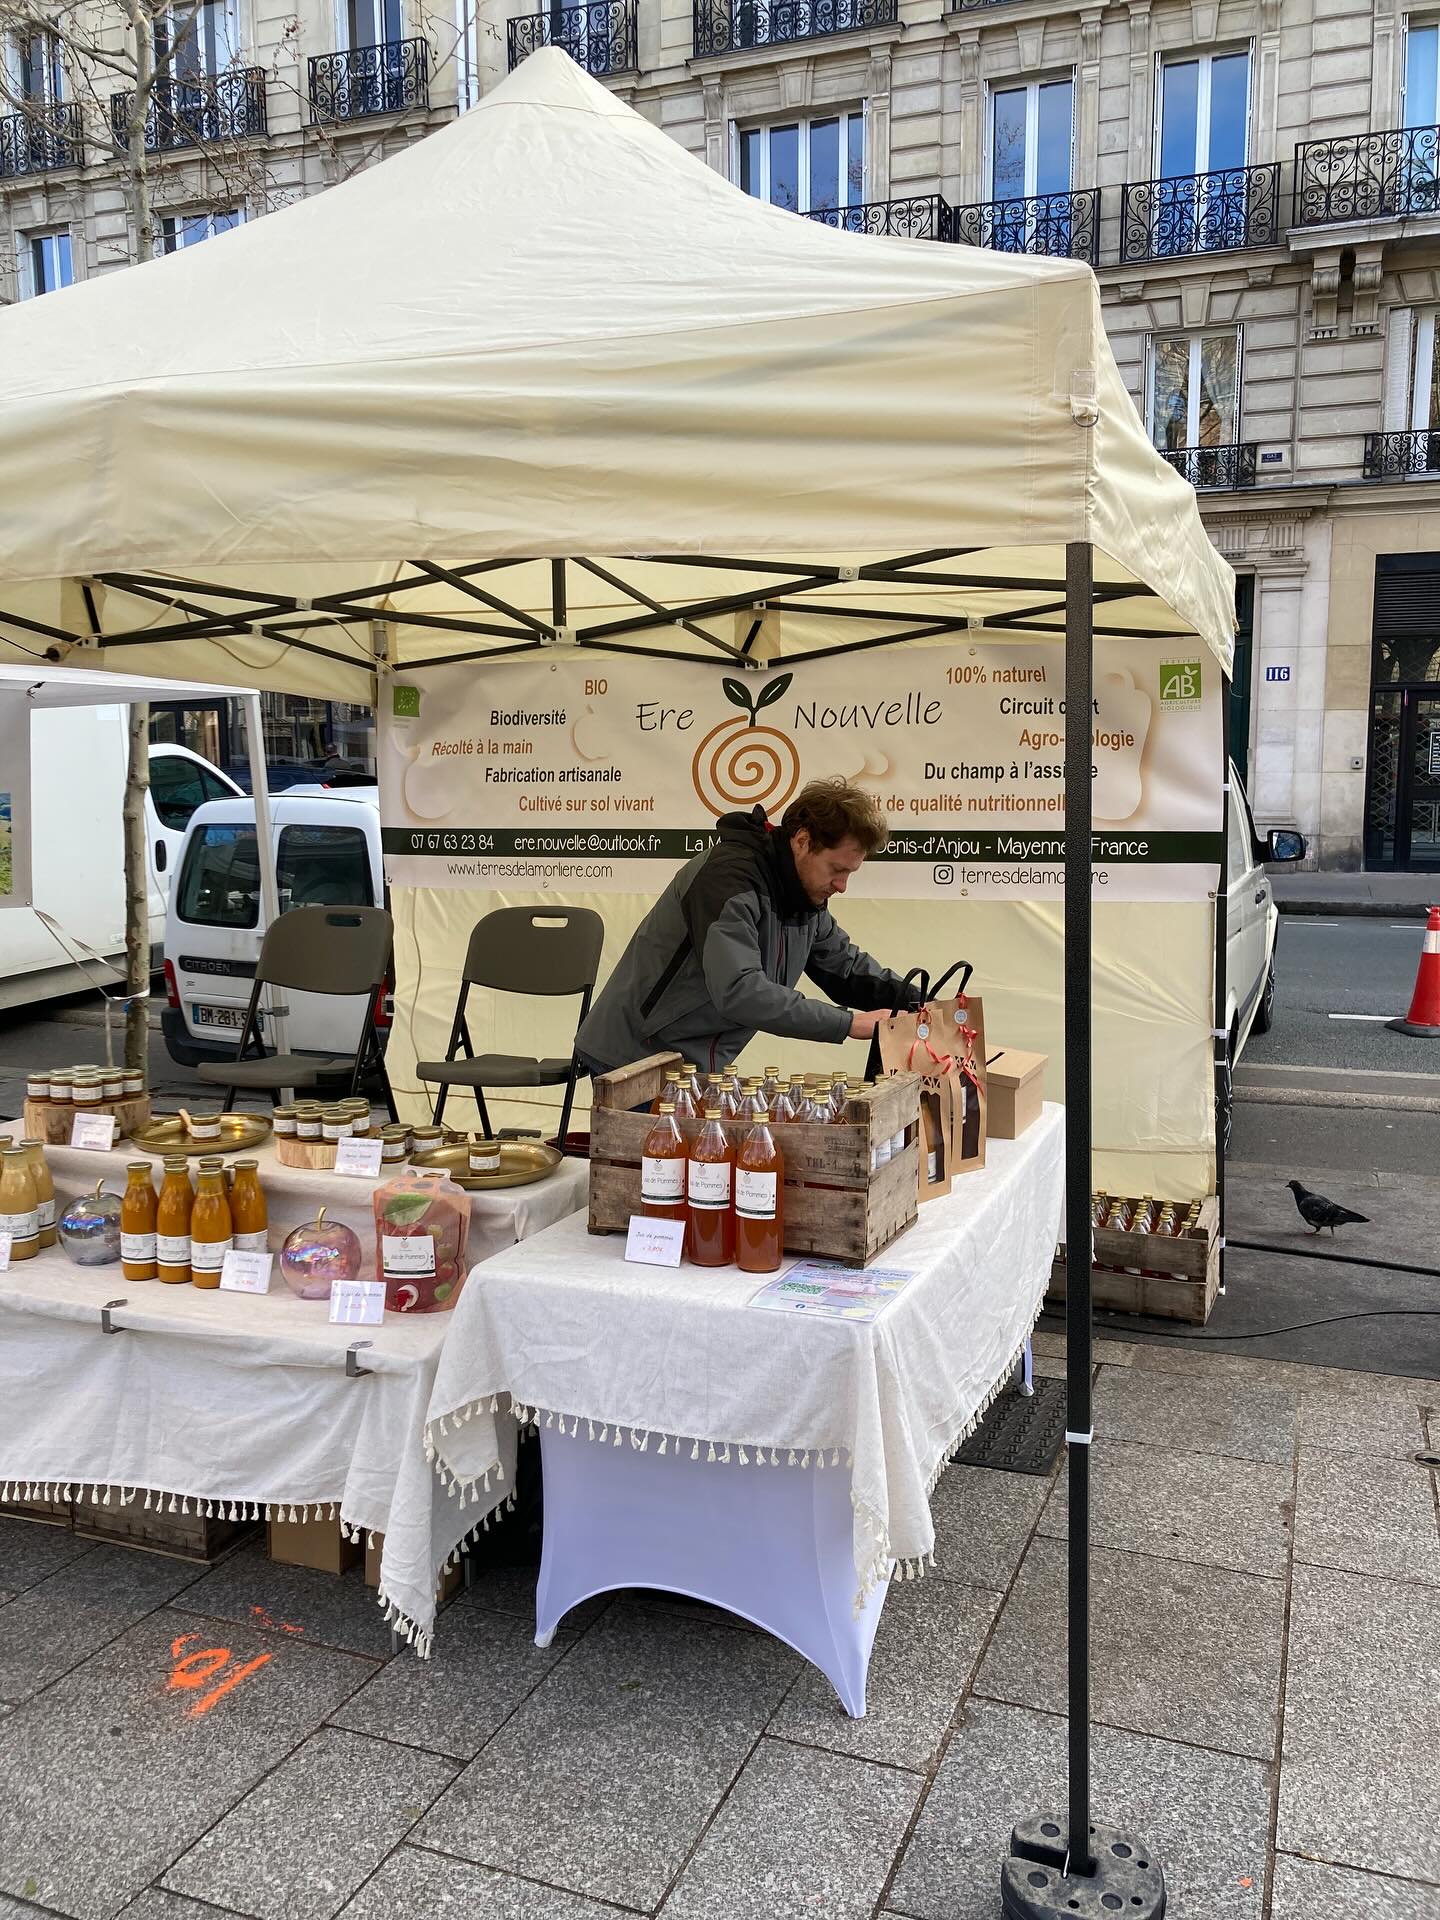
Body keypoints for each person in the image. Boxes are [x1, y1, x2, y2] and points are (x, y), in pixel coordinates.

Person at [576, 778, 921, 1078]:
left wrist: (922, 1002)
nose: (842, 885)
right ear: (802, 841)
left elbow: (845, 969)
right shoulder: (727, 879)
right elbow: (739, 990)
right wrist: (849, 1024)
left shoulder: (804, 897)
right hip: (633, 1055)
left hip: (692, 1062)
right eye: (836, 869)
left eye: (850, 873)